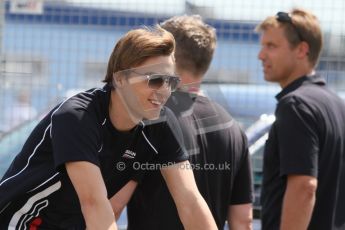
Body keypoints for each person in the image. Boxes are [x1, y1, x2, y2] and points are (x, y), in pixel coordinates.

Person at [0, 26, 217, 229]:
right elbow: (93, 202)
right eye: (155, 80)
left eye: (171, 81)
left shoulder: (161, 123)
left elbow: (190, 200)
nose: (164, 90)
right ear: (120, 78)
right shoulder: (77, 116)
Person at [127, 15, 253, 230]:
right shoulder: (233, 129)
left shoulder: (150, 116)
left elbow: (114, 203)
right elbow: (242, 221)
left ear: (169, 56)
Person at [256, 8, 345, 230]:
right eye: (262, 45)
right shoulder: (337, 104)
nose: (261, 55)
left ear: (302, 50)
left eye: (271, 46)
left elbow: (304, 187)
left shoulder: (295, 105)